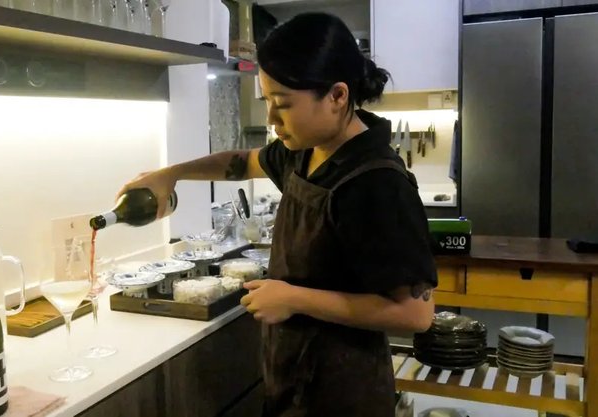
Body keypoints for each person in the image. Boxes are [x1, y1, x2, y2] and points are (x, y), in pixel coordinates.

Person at [117, 12, 437, 417]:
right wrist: (171, 174)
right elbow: (242, 162)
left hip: (343, 395)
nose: (271, 119)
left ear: (338, 96)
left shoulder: (378, 183)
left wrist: (294, 298)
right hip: (294, 378)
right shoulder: (306, 150)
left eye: (282, 104)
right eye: (267, 101)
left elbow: (415, 314)